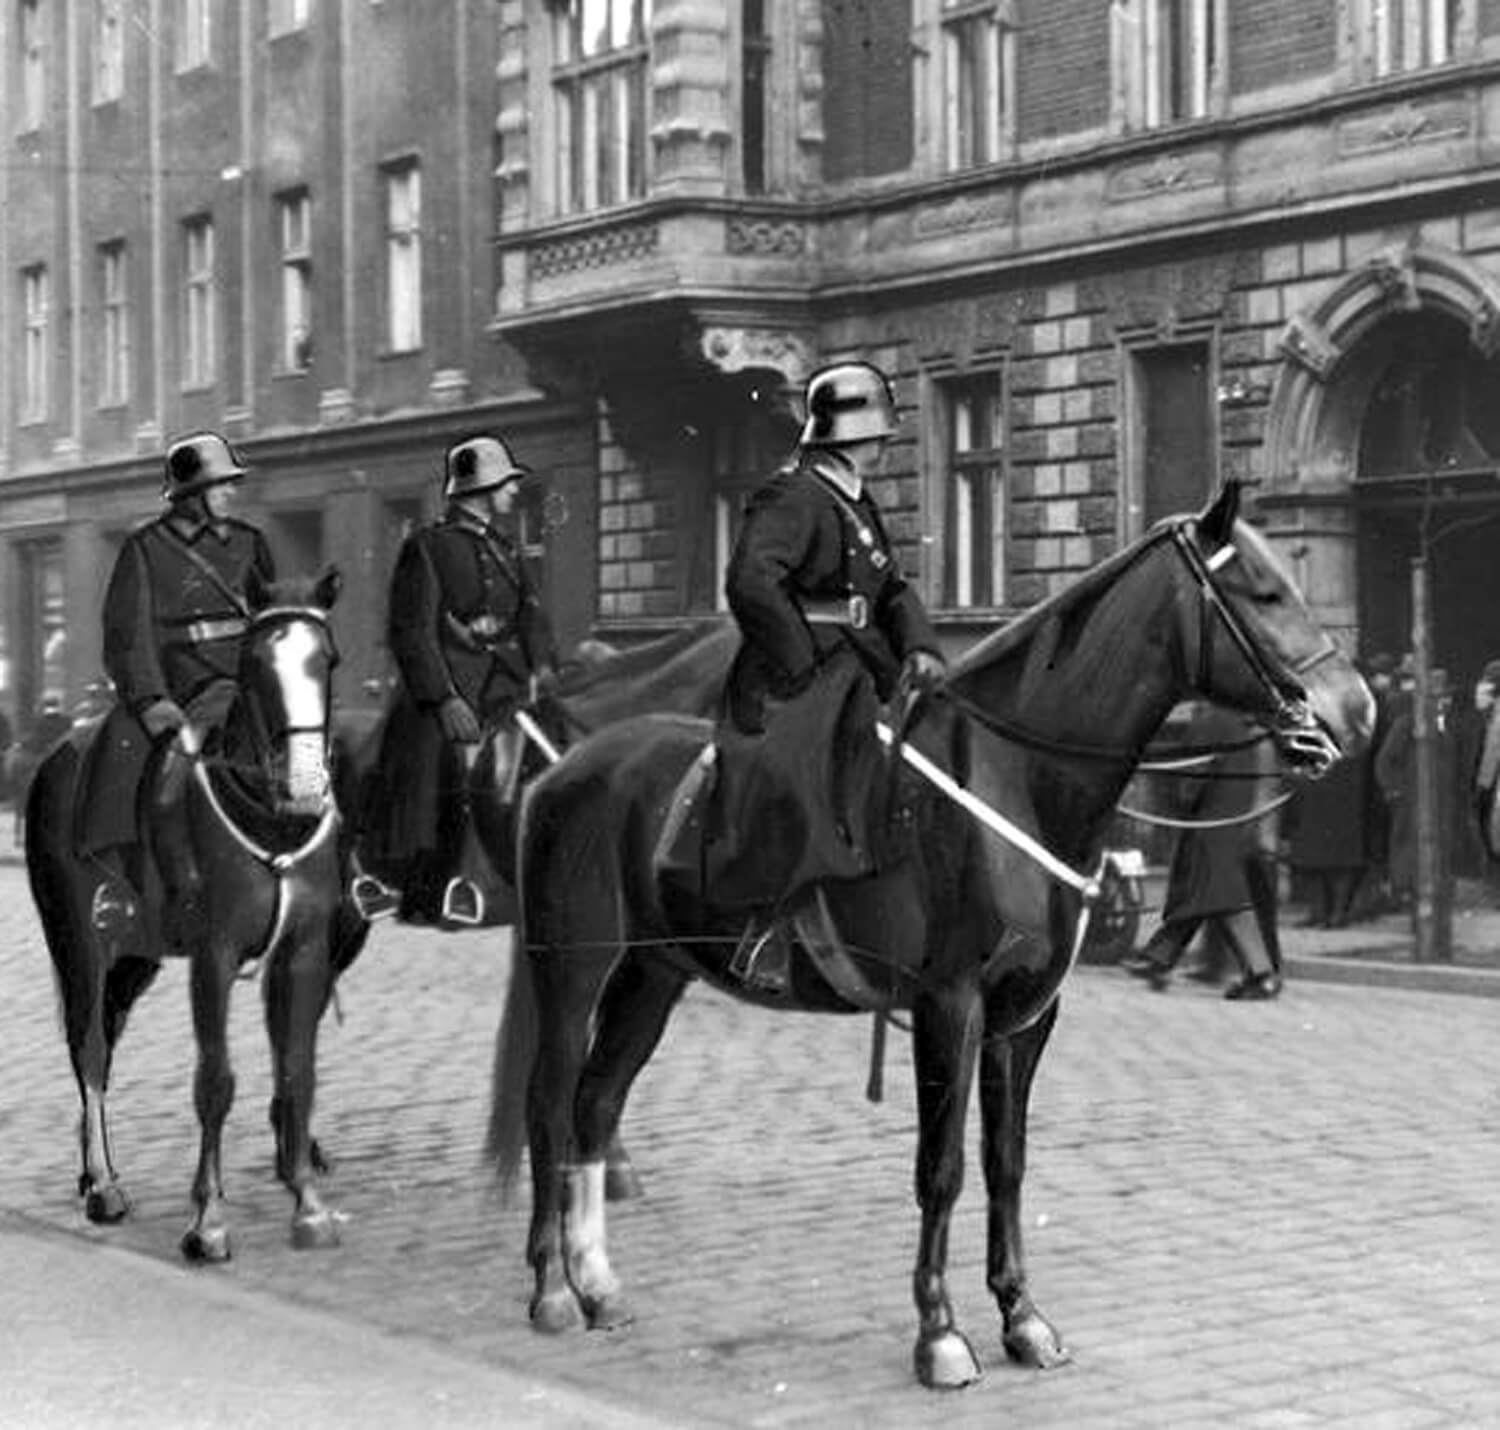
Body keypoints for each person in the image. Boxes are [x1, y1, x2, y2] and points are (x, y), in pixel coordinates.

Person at [701, 359, 946, 988]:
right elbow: (752, 583)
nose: (885, 444)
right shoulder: (795, 495)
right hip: (793, 673)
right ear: (849, 437)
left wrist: (920, 646)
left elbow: (890, 587)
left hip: (863, 663)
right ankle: (770, 927)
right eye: (877, 434)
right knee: (804, 770)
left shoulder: (857, 502)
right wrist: (804, 663)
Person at [75, 433, 277, 934]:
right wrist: (151, 701)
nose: (232, 493)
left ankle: (335, 872)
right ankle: (117, 884)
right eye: (222, 484)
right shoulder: (146, 548)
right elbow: (128, 637)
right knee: (125, 755)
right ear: (193, 492)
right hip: (179, 689)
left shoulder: (252, 542)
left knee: (313, 752)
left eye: (232, 484)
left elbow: (274, 620)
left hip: (247, 685)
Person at [365, 434, 558, 926]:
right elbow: (411, 632)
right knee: (441, 771)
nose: (513, 491)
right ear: (481, 486)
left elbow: (532, 614)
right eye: (506, 482)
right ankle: (436, 883)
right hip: (449, 687)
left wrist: (541, 667)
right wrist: (443, 697)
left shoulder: (504, 547)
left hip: (505, 683)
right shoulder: (427, 546)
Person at [1122, 703, 1284, 1001]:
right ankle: (1159, 958)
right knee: (1202, 892)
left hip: (1212, 820)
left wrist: (1182, 803)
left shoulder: (1211, 720)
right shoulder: (1239, 720)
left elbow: (1194, 775)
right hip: (1232, 817)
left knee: (1225, 896)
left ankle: (1262, 974)